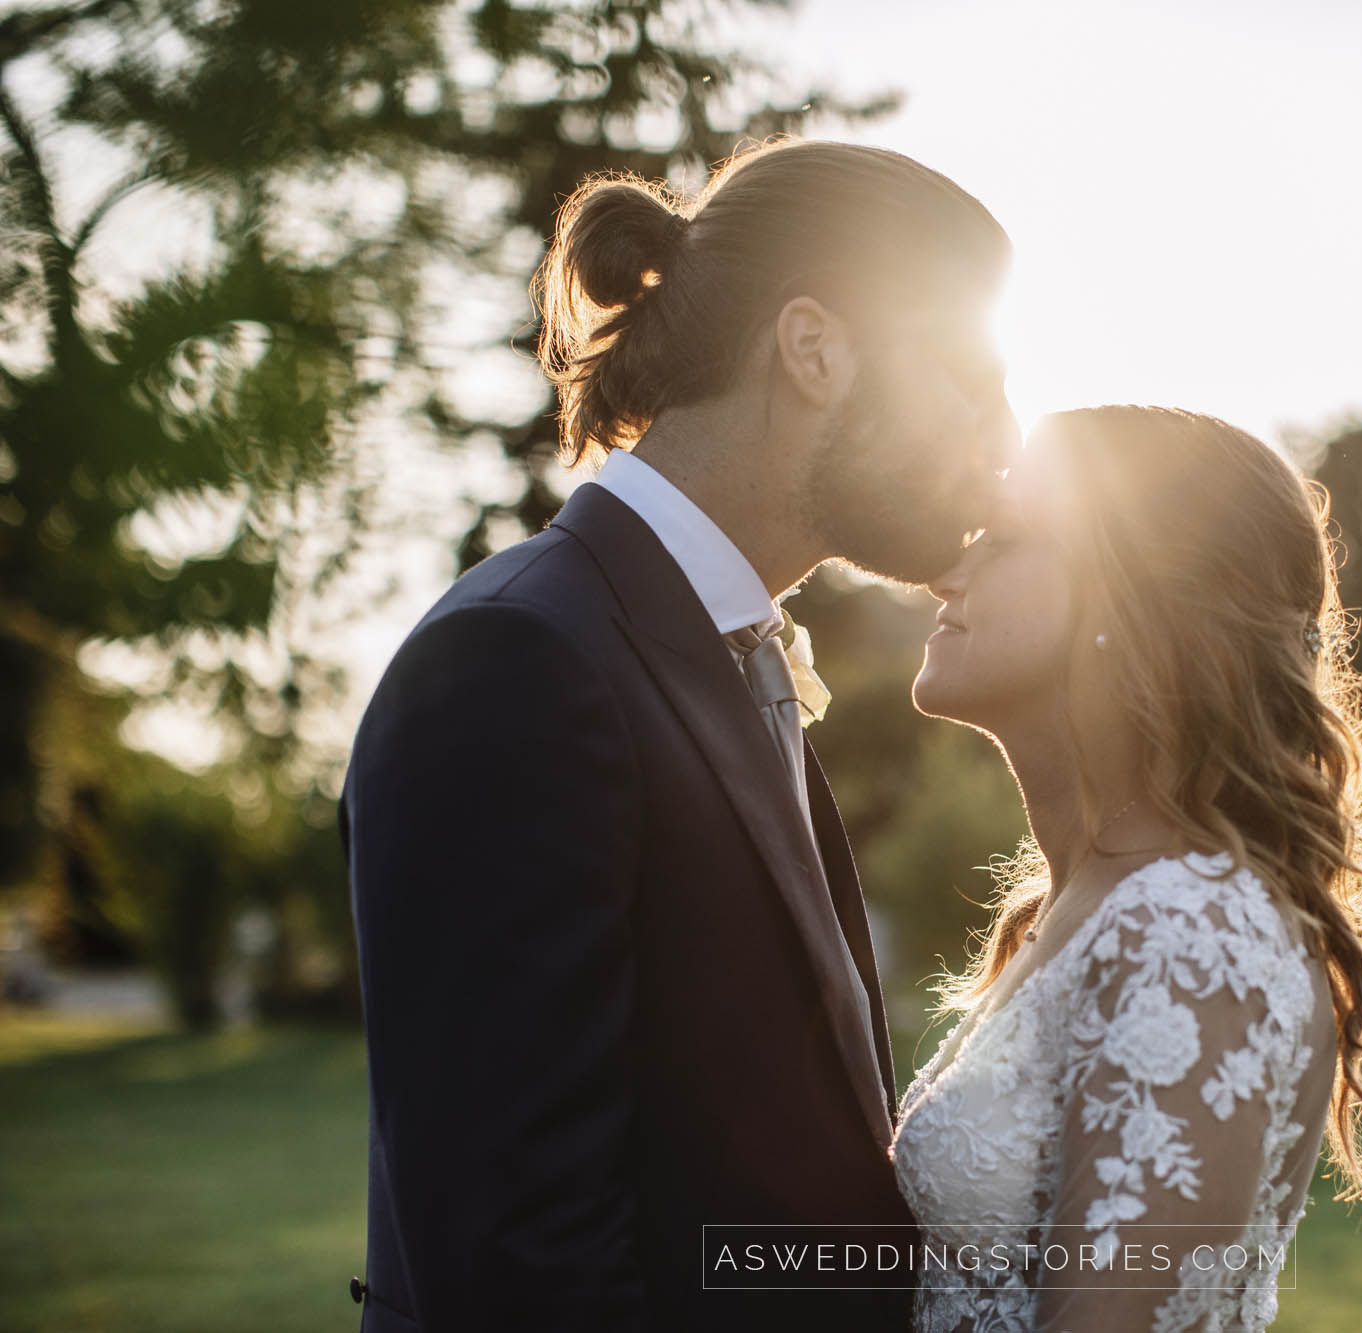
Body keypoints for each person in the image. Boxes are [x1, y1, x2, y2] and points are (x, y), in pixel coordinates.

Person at [339, 139, 1015, 1331]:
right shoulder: (522, 661)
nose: (1002, 432)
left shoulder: (714, 642)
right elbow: (514, 1267)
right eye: (968, 376)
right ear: (813, 347)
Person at [892, 405, 1362, 1332]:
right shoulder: (1081, 902)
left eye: (1005, 539)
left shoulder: (1189, 929)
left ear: (1136, 596)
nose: (947, 570)